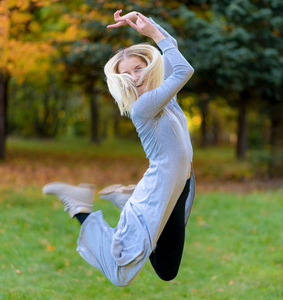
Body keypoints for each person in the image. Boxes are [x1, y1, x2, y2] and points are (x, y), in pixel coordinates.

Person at [43, 9, 195, 287]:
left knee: (166, 269)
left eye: (139, 68)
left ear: (149, 66)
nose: (135, 77)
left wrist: (150, 26)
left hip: (178, 187)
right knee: (121, 272)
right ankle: (79, 205)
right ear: (120, 80)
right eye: (127, 74)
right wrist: (153, 35)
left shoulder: (164, 96)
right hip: (160, 188)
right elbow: (185, 70)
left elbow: (172, 52)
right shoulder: (145, 106)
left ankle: (128, 202)